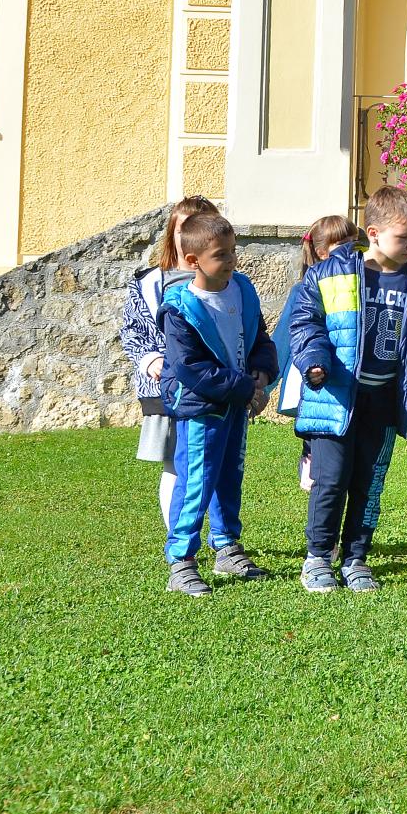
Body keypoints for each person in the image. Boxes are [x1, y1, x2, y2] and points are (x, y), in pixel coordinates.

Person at [288, 186, 407, 595]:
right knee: (330, 480)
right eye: (403, 238)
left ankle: (355, 558)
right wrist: (314, 359)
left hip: (384, 400)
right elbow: (305, 323)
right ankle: (318, 558)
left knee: (369, 484)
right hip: (334, 397)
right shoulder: (330, 274)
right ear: (373, 233)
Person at [159, 212, 278, 596]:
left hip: (236, 406)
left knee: (229, 478)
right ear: (194, 261)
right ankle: (181, 561)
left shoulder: (241, 289)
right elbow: (190, 367)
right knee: (197, 482)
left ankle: (226, 546)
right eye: (221, 255)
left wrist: (261, 373)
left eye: (233, 251)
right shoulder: (180, 307)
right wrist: (245, 388)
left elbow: (259, 337)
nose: (231, 261)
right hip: (201, 409)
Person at [120, 195, 217, 530]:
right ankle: (178, 536)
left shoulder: (227, 282)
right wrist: (151, 360)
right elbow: (133, 330)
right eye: (184, 228)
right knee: (176, 464)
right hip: (167, 389)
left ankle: (221, 536)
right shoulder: (150, 282)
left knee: (213, 463)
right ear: (172, 234)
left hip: (214, 385)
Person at [271, 214, 358, 491]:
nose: (351, 250)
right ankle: (310, 465)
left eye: (354, 242)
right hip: (312, 372)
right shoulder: (306, 288)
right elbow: (285, 337)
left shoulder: (360, 284)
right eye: (342, 244)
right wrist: (265, 383)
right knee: (315, 426)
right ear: (322, 252)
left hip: (344, 375)